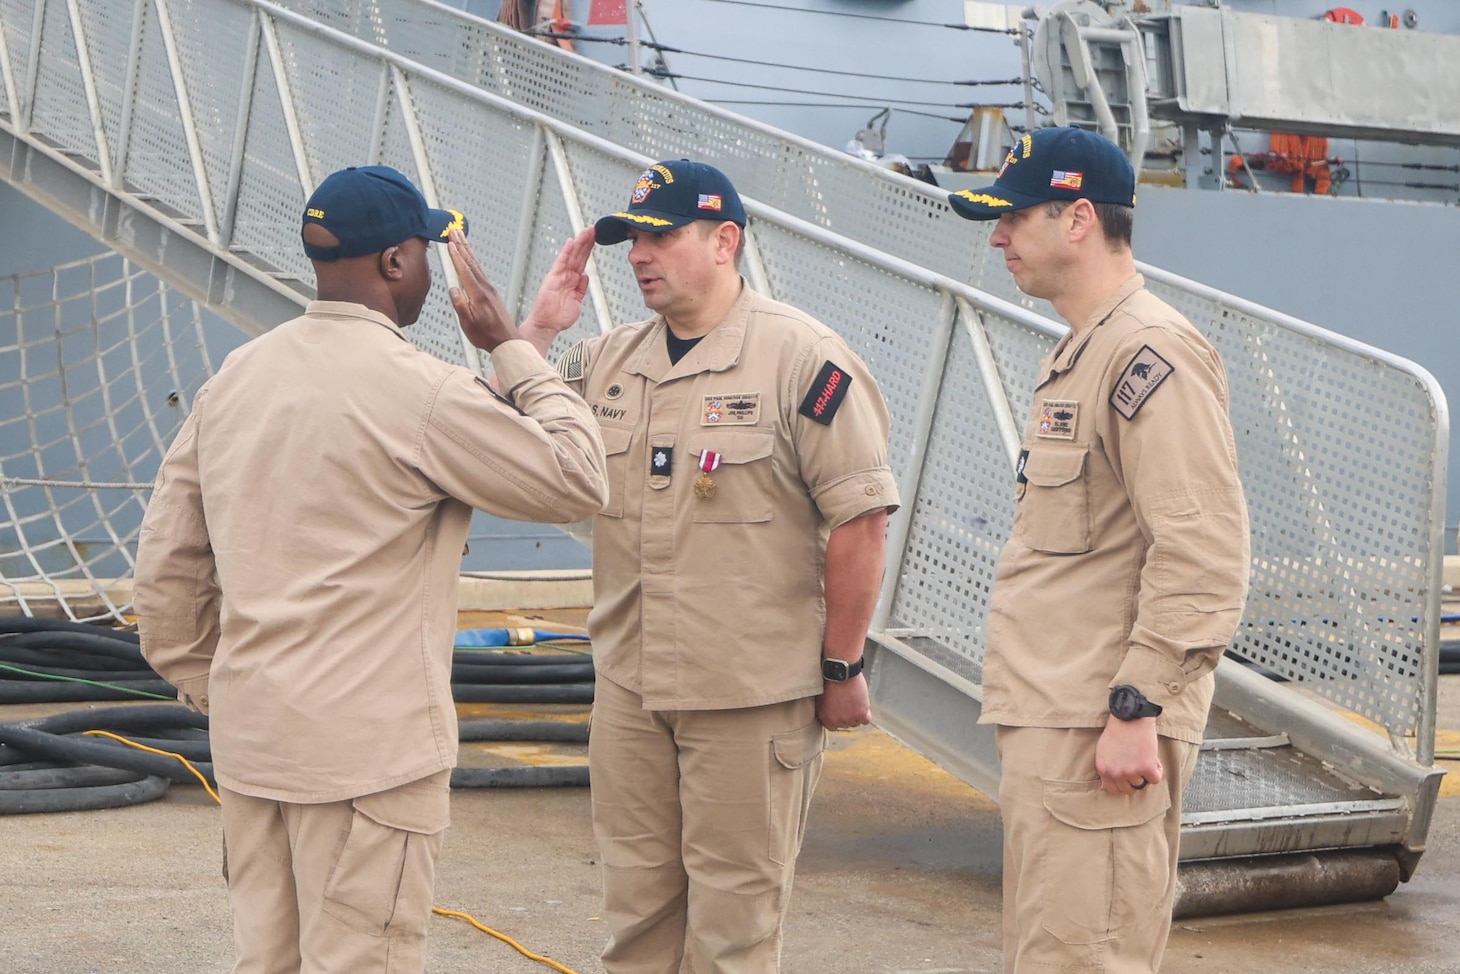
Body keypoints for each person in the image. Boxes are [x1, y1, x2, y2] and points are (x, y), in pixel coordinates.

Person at [132, 164, 608, 973]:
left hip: (255, 750)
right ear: (395, 264)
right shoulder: (423, 391)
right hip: (366, 765)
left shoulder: (236, 378)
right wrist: (513, 349)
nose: (427, 267)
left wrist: (227, 690)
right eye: (423, 249)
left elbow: (167, 572)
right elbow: (578, 477)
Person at [520, 159, 900, 973]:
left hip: (749, 696)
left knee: (734, 934)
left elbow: (861, 520)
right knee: (636, 922)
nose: (638, 254)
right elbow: (497, 446)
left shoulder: (803, 360)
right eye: (632, 239)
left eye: (663, 236)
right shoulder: (606, 363)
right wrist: (540, 333)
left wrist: (843, 666)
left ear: (725, 241)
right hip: (631, 690)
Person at [947, 128, 1250, 973]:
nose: (998, 237)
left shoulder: (1148, 352)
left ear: (1078, 218)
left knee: (1087, 958)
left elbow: (1204, 550)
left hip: (1100, 727)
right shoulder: (1086, 350)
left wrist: (1137, 706)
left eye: (1012, 218)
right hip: (1061, 723)